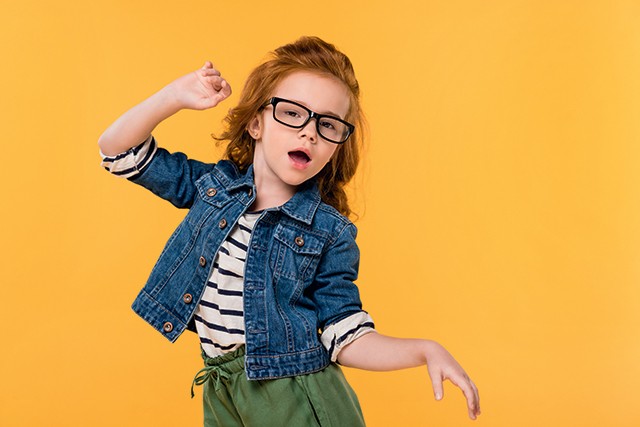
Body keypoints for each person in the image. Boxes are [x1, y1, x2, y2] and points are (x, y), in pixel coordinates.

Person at [98, 36, 480, 426]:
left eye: (328, 124)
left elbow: (345, 334)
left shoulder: (329, 231)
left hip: (294, 393)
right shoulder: (211, 189)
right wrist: (173, 96)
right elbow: (116, 152)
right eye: (294, 113)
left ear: (336, 146)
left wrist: (424, 350)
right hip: (222, 383)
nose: (310, 132)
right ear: (256, 122)